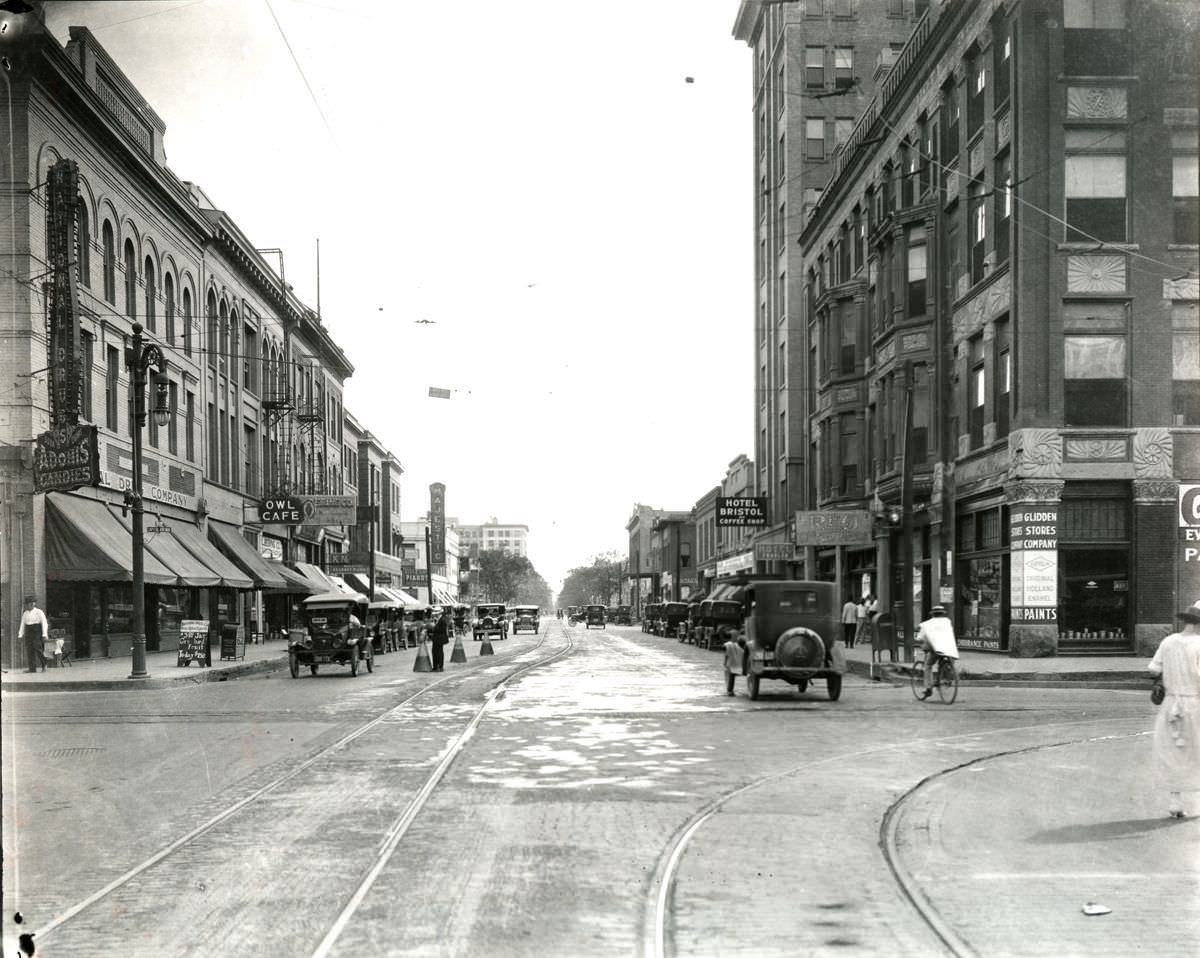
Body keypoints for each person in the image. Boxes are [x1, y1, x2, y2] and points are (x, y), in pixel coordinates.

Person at [1147, 600, 1200, 818]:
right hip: (1194, 704)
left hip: (1170, 706)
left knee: (1173, 752)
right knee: (1196, 752)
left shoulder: (1168, 641)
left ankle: (1175, 801)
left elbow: (1153, 669)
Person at [917, 605, 958, 700]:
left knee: (928, 665)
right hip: (949, 648)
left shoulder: (927, 624)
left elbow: (920, 637)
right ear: (942, 614)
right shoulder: (947, 622)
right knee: (947, 661)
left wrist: (919, 640)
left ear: (933, 614)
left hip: (936, 649)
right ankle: (946, 676)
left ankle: (928, 688)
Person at [18, 595, 49, 673]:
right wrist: (20, 634)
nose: (31, 605)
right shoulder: (25, 613)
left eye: (32, 603)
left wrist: (44, 634)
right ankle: (32, 668)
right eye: (29, 603)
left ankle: (44, 664)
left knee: (37, 648)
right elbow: (22, 624)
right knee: (29, 649)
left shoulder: (39, 612)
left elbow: (44, 623)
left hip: (36, 630)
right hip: (28, 631)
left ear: (34, 604)